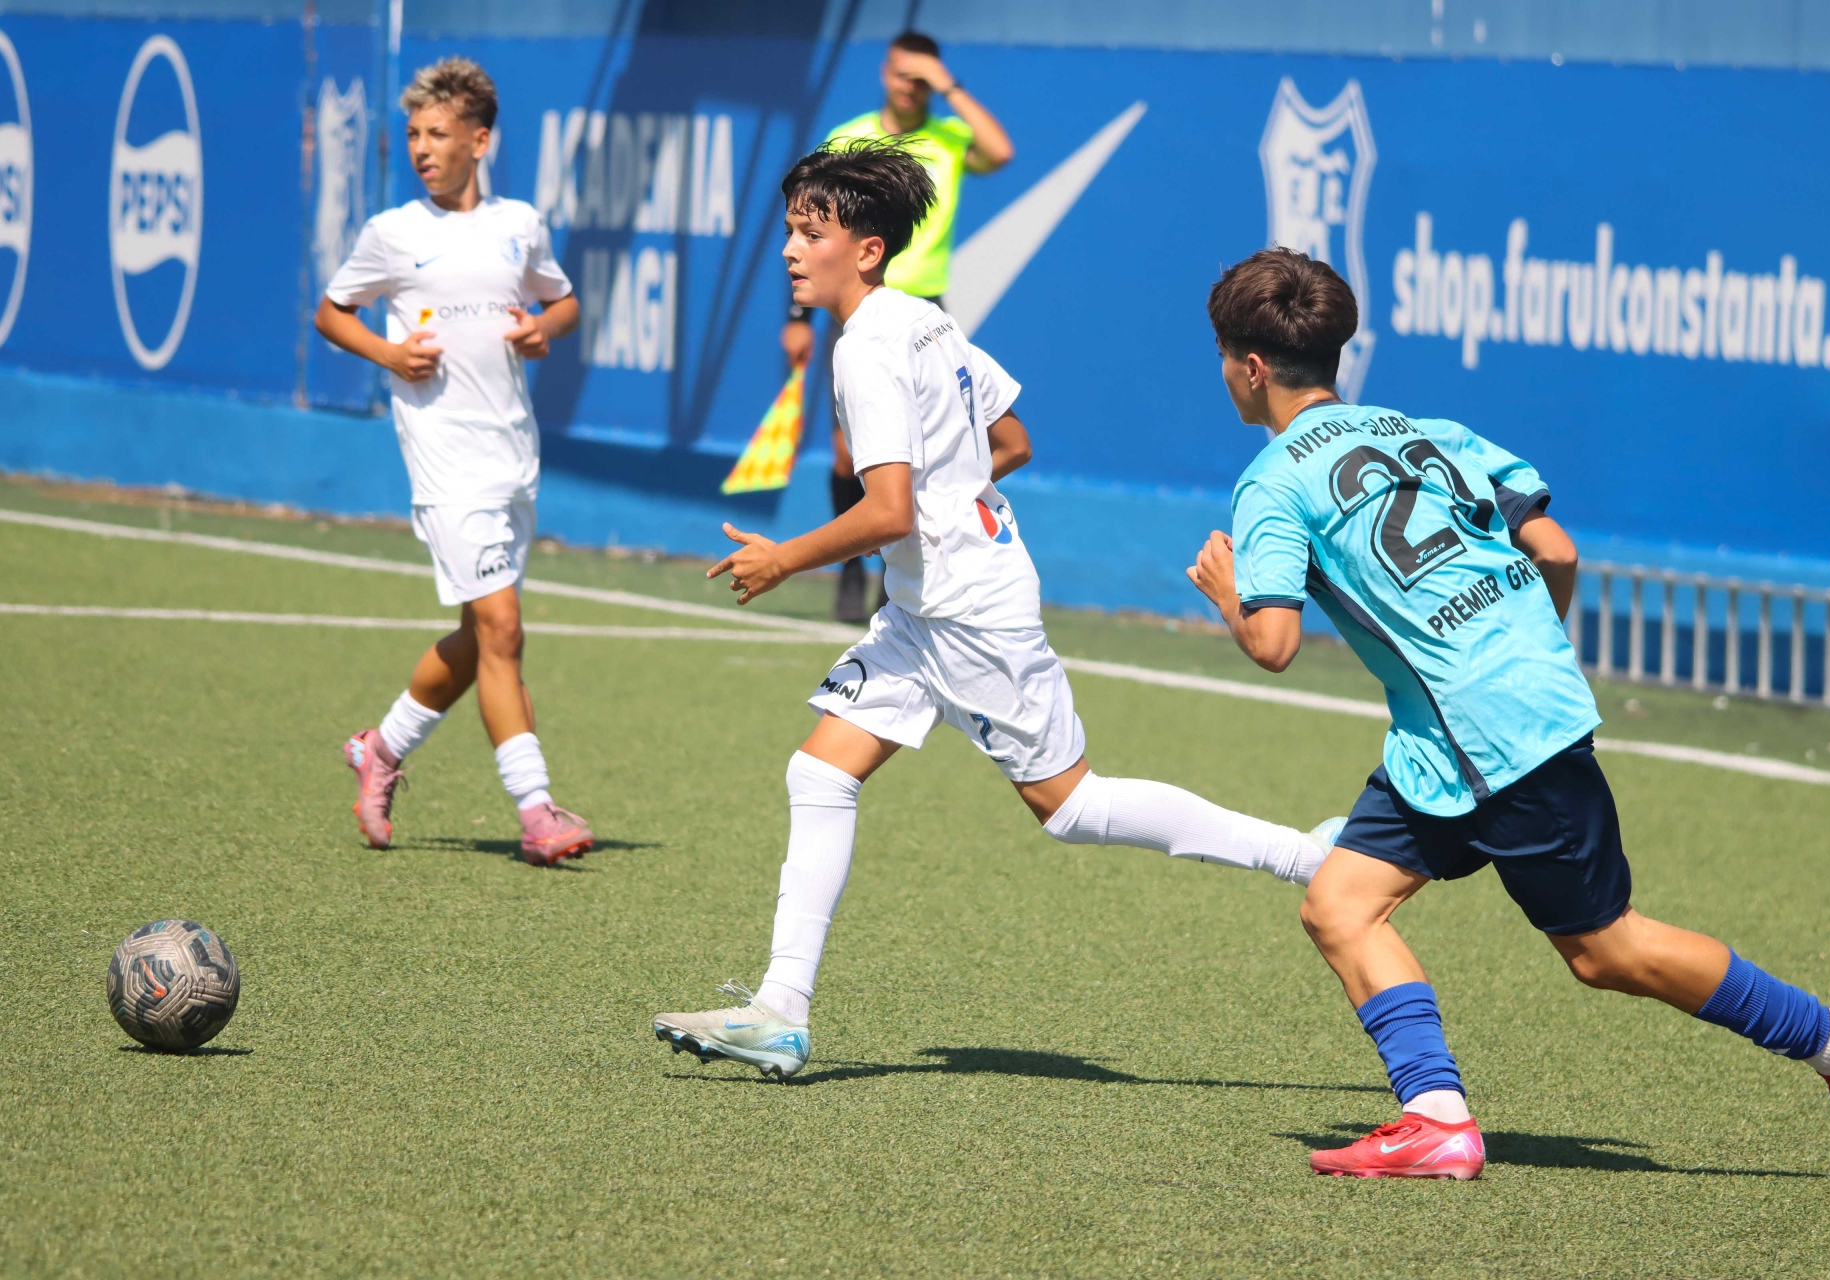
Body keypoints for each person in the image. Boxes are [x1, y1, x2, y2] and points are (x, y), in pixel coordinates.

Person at [1186, 247, 1830, 1179]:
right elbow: (1556, 551)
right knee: (1339, 905)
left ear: (1250, 367)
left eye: (1221, 357)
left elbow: (1274, 642)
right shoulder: (1432, 432)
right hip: (1458, 738)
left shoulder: (1273, 480)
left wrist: (1228, 594)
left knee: (1608, 950)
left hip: (1487, 738)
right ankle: (1436, 1119)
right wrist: (1518, 653)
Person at [652, 143, 1341, 1081]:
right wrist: (956, 493)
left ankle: (1307, 857)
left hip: (968, 609)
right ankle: (780, 1010)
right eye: (790, 233)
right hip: (928, 604)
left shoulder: (866, 349)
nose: (790, 251)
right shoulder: (926, 320)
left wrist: (785, 558)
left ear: (867, 250)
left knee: (1072, 806)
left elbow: (887, 512)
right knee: (819, 772)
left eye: (811, 234)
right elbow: (1010, 440)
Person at [314, 57, 595, 866]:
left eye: (437, 134)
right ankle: (537, 812)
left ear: (480, 140)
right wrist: (389, 353)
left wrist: (544, 329)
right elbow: (332, 312)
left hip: (513, 455)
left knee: (478, 639)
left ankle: (381, 748)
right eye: (413, 134)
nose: (421, 149)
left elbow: (564, 301)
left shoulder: (520, 224)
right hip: (443, 461)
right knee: (503, 629)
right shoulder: (393, 232)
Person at [780, 30, 1015, 624]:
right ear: (883, 73)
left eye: (920, 77)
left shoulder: (948, 137)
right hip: (855, 311)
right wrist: (798, 316)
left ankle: (892, 566)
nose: (909, 86)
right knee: (849, 455)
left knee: (928, 450)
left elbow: (1000, 151)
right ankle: (855, 566)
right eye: (901, 73)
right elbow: (812, 230)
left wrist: (947, 85)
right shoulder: (847, 137)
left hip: (922, 304)